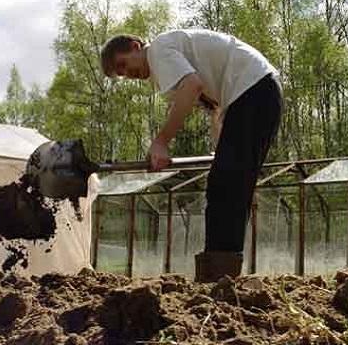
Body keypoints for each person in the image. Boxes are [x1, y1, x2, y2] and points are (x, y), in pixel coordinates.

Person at [100, 29, 282, 282]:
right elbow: (215, 107)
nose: (127, 74)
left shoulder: (159, 50)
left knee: (226, 188)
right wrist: (221, 152)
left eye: (123, 65)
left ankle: (219, 278)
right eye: (121, 75)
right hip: (254, 95)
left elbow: (192, 86)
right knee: (227, 185)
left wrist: (161, 142)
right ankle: (219, 276)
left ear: (135, 46)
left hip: (254, 91)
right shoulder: (172, 57)